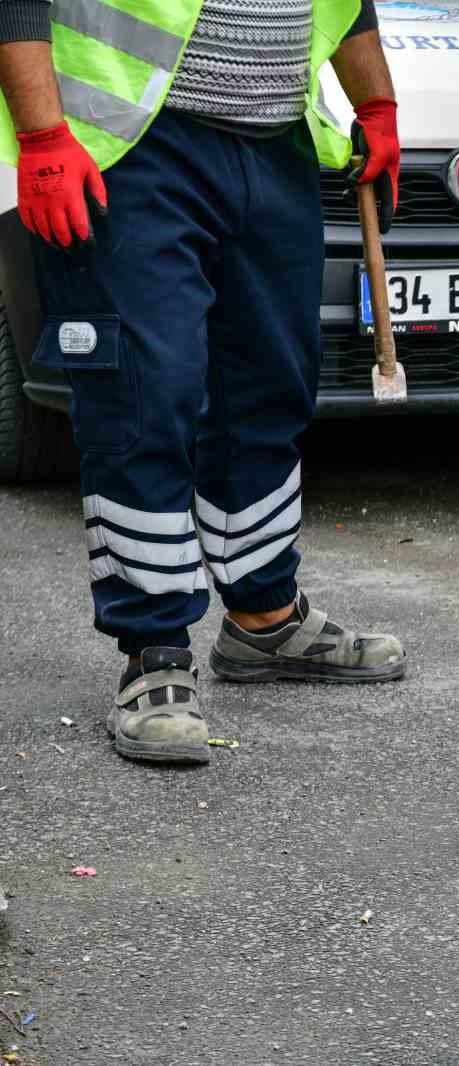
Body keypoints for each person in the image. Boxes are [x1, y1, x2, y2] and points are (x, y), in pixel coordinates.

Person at [0, 0, 407, 764]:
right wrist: (42, 135)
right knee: (145, 397)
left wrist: (375, 103)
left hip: (272, 147)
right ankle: (152, 652)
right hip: (129, 146)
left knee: (272, 386)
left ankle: (265, 617)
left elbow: (345, 2)